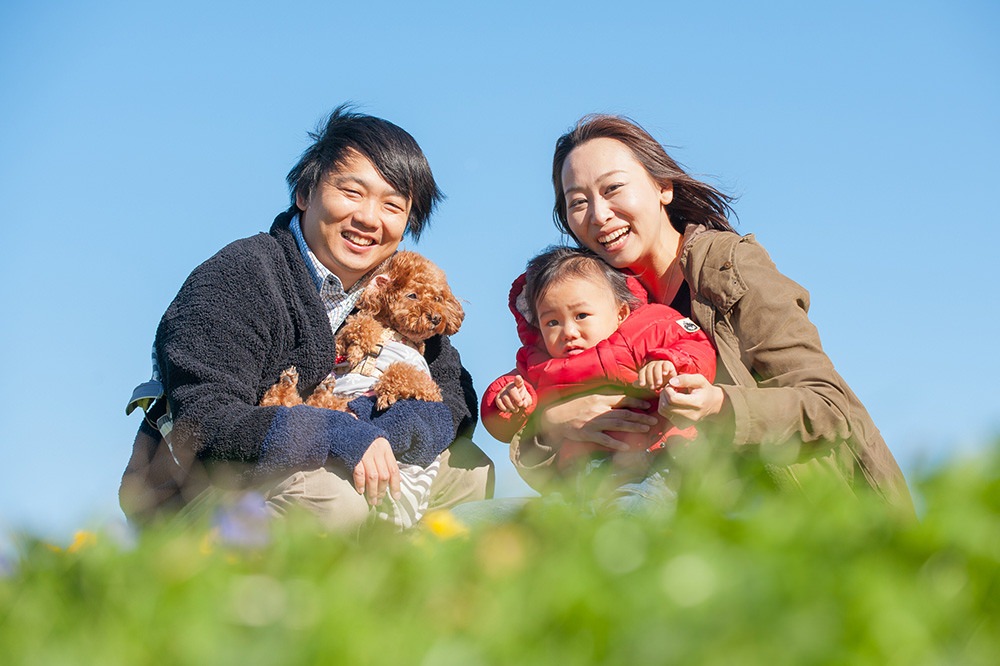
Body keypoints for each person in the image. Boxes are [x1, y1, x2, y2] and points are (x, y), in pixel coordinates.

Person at [509, 113, 914, 515]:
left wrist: (719, 405)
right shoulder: (587, 303)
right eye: (578, 202)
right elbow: (545, 452)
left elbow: (830, 408)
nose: (598, 215)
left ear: (662, 187)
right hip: (661, 510)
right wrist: (554, 423)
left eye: (613, 188)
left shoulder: (731, 268)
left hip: (799, 515)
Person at [121, 105, 494, 531]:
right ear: (305, 194)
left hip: (342, 456)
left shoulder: (389, 291)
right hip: (202, 495)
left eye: (392, 205)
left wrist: (394, 429)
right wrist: (337, 433)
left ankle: (400, 592)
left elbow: (453, 395)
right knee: (329, 496)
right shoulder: (241, 273)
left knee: (469, 472)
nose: (369, 218)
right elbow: (205, 423)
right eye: (352, 193)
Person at [481, 246, 716, 510]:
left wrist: (668, 363)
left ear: (621, 313)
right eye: (552, 322)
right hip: (575, 482)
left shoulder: (644, 333)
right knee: (476, 518)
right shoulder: (539, 365)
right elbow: (499, 421)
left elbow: (696, 347)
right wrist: (508, 401)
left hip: (649, 467)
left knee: (628, 514)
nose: (568, 331)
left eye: (581, 316)